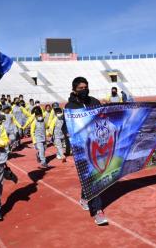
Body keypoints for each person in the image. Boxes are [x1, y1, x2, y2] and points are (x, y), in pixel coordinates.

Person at [65, 76, 108, 226]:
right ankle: (98, 211)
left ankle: (84, 198)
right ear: (74, 90)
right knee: (92, 177)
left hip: (97, 145)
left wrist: (106, 108)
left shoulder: (94, 102)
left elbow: (102, 118)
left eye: (86, 87)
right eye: (81, 88)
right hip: (82, 148)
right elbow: (67, 129)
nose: (84, 90)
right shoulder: (70, 107)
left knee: (93, 176)